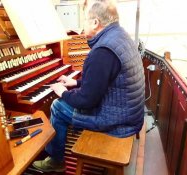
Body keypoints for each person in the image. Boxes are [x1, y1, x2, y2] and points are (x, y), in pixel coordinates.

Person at [33, 0, 145, 172]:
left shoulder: (102, 51)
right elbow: (106, 82)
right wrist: (76, 83)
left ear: (95, 23)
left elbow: (87, 100)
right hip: (129, 115)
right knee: (69, 99)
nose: (82, 25)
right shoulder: (120, 37)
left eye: (84, 20)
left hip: (116, 123)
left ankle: (56, 161)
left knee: (57, 106)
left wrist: (63, 92)